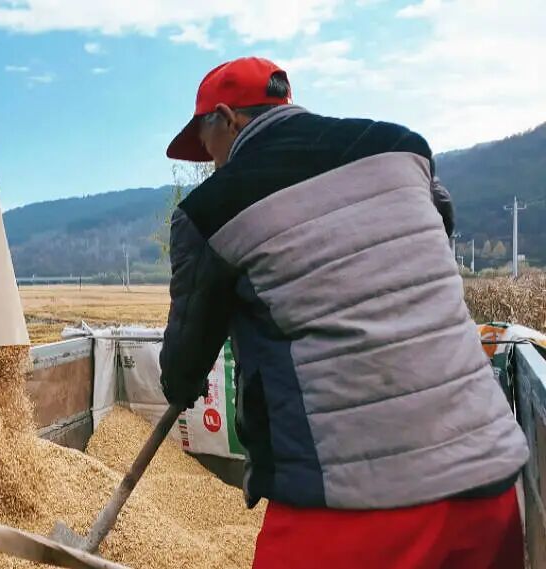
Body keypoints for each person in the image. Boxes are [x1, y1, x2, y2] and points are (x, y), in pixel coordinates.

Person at [159, 56, 528, 569]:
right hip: (487, 483)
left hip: (350, 510)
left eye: (207, 145)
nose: (210, 162)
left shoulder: (211, 210)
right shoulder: (400, 147)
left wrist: (187, 375)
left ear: (227, 118)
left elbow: (183, 367)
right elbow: (438, 223)